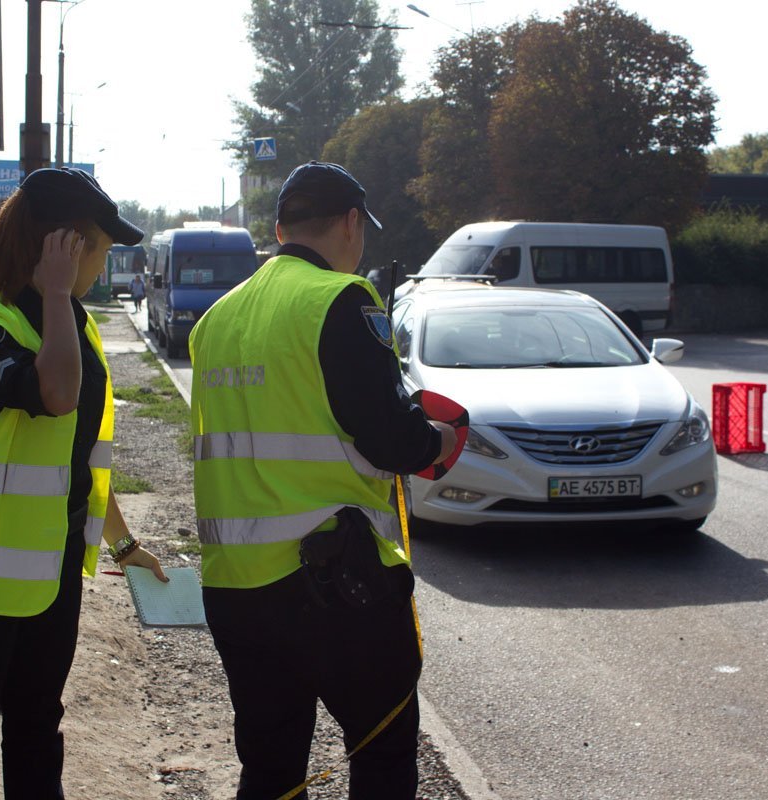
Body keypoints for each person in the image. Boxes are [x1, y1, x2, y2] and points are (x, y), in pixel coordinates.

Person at [188, 161, 459, 799]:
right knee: (383, 752)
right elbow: (390, 438)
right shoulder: (341, 299)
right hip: (336, 586)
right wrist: (438, 439)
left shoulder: (214, 322)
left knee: (271, 770)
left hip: (235, 587)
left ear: (280, 228)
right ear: (349, 223)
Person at [0, 167, 168, 799]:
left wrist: (124, 546)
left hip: (48, 575)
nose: (101, 264)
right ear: (62, 247)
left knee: (37, 724)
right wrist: (51, 295)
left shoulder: (74, 326)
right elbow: (58, 395)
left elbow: (77, 461)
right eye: (96, 248)